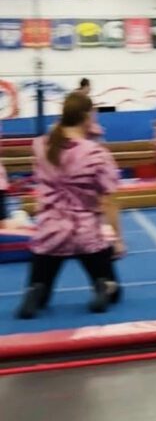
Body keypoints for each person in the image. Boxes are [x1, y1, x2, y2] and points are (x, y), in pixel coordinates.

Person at [15, 91, 124, 320]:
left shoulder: (41, 146)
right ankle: (104, 286)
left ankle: (36, 290)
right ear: (87, 117)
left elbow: (58, 146)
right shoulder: (96, 153)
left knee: (40, 291)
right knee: (116, 293)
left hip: (50, 230)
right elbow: (110, 199)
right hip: (85, 233)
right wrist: (118, 239)